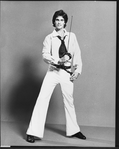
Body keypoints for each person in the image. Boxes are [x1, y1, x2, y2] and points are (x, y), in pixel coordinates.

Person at [26, 10, 86, 143]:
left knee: (69, 101)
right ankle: (33, 132)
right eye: (57, 20)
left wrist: (77, 71)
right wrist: (58, 60)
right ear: (54, 21)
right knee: (42, 99)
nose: (59, 22)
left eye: (62, 20)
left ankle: (74, 130)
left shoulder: (72, 36)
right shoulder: (49, 38)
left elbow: (77, 54)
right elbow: (45, 55)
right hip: (53, 72)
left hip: (66, 73)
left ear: (65, 22)